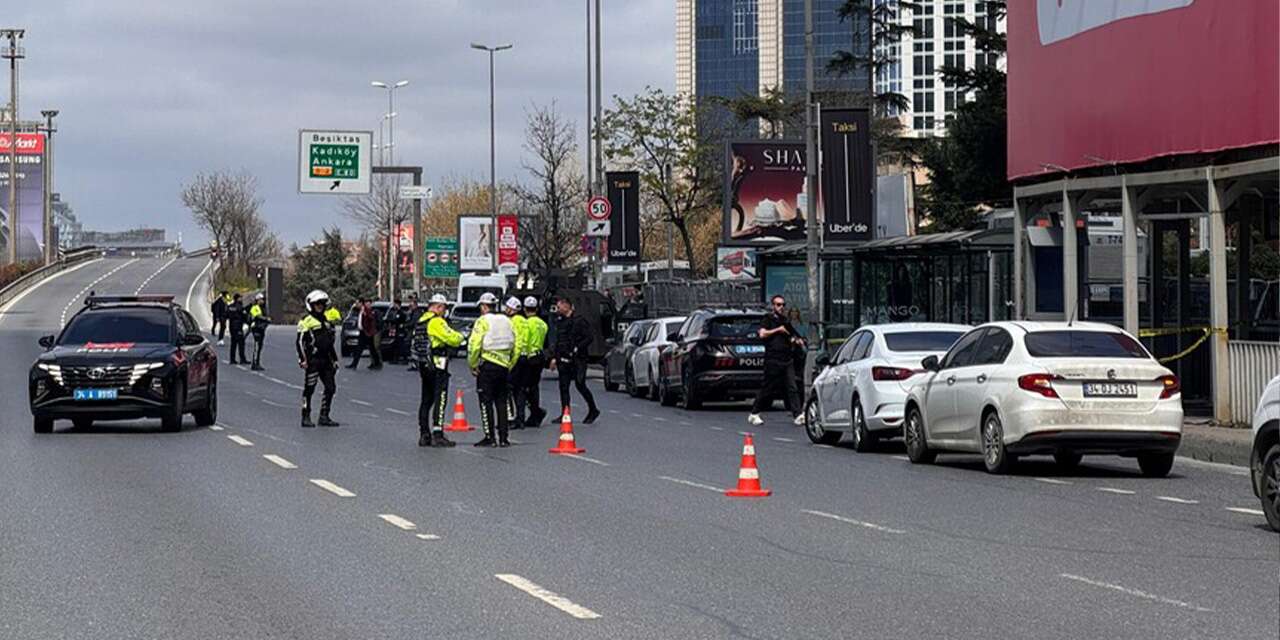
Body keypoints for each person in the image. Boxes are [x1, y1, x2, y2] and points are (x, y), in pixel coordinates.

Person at [411, 293, 462, 447]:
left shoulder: (421, 321)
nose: (444, 311)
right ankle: (438, 434)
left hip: (423, 365)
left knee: (426, 400)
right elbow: (453, 338)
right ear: (438, 307)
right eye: (444, 308)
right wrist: (460, 337)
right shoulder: (436, 322)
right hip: (438, 365)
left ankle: (424, 434)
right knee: (440, 398)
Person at [748, 295, 804, 426]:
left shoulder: (785, 321)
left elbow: (793, 335)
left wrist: (797, 341)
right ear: (773, 306)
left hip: (786, 359)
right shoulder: (768, 319)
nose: (781, 307)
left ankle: (798, 414)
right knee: (768, 388)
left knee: (792, 387)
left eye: (783, 305)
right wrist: (777, 330)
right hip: (773, 359)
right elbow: (762, 333)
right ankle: (754, 413)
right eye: (778, 305)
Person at [467, 292, 515, 447]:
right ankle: (504, 438)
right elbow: (516, 344)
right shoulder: (507, 321)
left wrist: (473, 365)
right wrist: (510, 364)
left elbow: (474, 345)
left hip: (487, 366)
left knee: (486, 402)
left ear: (484, 306)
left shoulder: (482, 321)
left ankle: (490, 437)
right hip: (504, 367)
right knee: (501, 402)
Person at [549, 296, 599, 424]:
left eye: (559, 307)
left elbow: (589, 337)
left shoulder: (579, 321)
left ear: (567, 306)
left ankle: (593, 409)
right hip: (563, 358)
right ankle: (565, 413)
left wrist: (577, 348)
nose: (557, 309)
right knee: (563, 387)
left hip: (578, 359)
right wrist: (554, 357)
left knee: (580, 384)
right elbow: (558, 341)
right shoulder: (559, 321)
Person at [296, 290, 340, 427]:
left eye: (322, 304)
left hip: (326, 360)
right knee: (309, 389)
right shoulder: (306, 321)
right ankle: (305, 416)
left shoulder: (326, 321)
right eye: (317, 304)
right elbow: (299, 342)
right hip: (313, 360)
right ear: (311, 305)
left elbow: (329, 342)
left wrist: (335, 359)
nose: (320, 306)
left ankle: (324, 416)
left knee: (331, 388)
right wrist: (303, 359)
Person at [519, 296, 548, 427]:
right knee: (534, 386)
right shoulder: (543, 324)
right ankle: (535, 414)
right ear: (536, 308)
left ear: (525, 309)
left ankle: (527, 414)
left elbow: (524, 341)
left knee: (523, 387)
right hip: (539, 356)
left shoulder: (526, 324)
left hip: (529, 357)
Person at [503, 297, 528, 429]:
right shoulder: (525, 321)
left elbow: (513, 341)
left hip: (516, 357)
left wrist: (511, 361)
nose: (505, 309)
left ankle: (511, 418)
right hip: (525, 358)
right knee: (520, 390)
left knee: (508, 389)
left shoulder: (511, 322)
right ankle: (521, 418)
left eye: (507, 307)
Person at [347, 298, 383, 370]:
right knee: (361, 349)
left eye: (357, 303)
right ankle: (354, 364)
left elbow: (371, 318)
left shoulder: (366, 310)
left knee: (370, 349)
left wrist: (365, 314)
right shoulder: (361, 310)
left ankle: (377, 363)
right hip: (363, 332)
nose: (356, 305)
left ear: (361, 303)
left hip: (367, 332)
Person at [249, 293, 271, 371]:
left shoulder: (263, 308)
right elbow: (257, 316)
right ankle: (254, 364)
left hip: (261, 328)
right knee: (257, 346)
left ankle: (257, 362)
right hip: (256, 328)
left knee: (260, 347)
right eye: (261, 299)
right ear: (257, 300)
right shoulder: (255, 307)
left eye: (263, 299)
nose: (262, 301)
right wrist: (266, 319)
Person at [226, 293, 248, 365]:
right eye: (240, 298)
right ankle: (242, 359)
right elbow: (244, 316)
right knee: (241, 343)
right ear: (238, 298)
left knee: (233, 343)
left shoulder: (229, 307)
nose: (241, 299)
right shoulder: (240, 307)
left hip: (231, 326)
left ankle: (232, 359)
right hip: (238, 326)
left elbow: (226, 315)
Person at [382, 299, 406, 364]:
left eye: (395, 304)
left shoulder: (401, 313)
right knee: (396, 345)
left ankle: (404, 359)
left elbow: (399, 321)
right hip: (396, 330)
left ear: (398, 304)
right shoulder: (396, 312)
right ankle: (395, 359)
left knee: (401, 345)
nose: (394, 306)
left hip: (400, 331)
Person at [401, 295, 419, 366]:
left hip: (414, 332)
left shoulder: (416, 313)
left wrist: (405, 325)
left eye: (411, 305)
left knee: (412, 347)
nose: (410, 307)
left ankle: (414, 363)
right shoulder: (412, 312)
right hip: (411, 331)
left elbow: (413, 322)